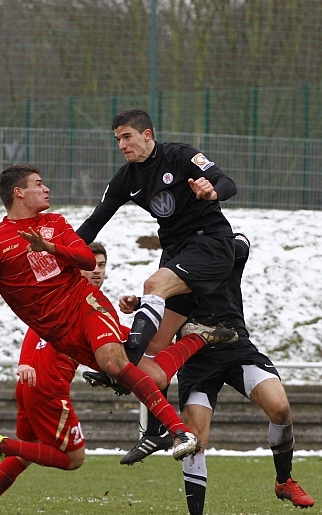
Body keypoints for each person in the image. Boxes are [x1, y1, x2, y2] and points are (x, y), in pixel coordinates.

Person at [0, 243, 211, 515]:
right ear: (74, 265)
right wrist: (184, 337)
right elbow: (43, 327)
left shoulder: (70, 298)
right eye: (90, 264)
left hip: (30, 386)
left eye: (102, 265)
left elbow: (121, 338)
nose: (97, 271)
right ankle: (3, 445)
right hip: (48, 388)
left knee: (30, 448)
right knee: (73, 458)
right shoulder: (82, 300)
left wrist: (142, 314)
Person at [0, 164, 200, 464]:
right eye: (38, 184)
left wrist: (50, 247)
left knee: (114, 363)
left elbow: (84, 259)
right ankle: (201, 337)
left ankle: (180, 432)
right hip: (61, 334)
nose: (46, 188)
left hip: (85, 304)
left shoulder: (55, 222)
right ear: (19, 192)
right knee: (149, 373)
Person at [120, 234, 315, 515]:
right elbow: (162, 309)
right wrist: (142, 305)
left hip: (236, 347)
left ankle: (284, 480)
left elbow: (242, 245)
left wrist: (207, 245)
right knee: (193, 441)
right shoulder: (169, 266)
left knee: (280, 408)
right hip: (196, 360)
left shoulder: (223, 248)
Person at [76, 109, 239, 371]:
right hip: (175, 251)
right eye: (118, 139)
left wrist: (212, 192)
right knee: (154, 345)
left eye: (127, 137)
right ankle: (202, 336)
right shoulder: (125, 179)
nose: (122, 145)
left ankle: (123, 366)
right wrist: (60, 253)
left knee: (153, 285)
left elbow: (227, 182)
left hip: (210, 243)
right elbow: (95, 222)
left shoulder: (180, 155)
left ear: (147, 134)